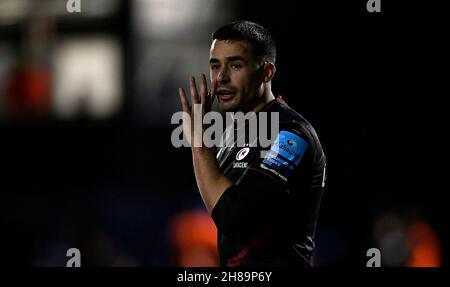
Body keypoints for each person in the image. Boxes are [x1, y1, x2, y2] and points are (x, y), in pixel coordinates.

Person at [178, 20, 326, 267]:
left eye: (235, 65)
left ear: (267, 72)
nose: (221, 77)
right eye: (215, 66)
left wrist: (199, 143)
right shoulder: (232, 134)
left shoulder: (291, 134)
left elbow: (231, 216)